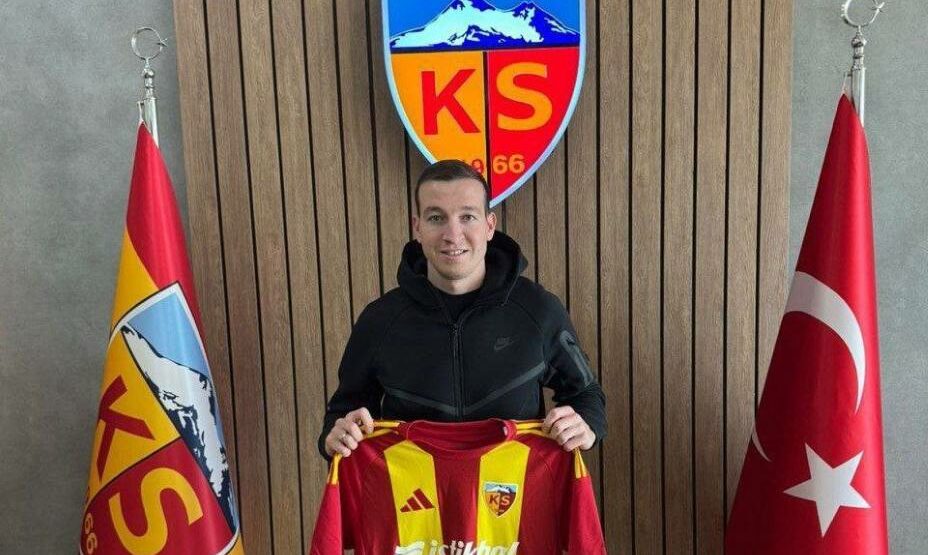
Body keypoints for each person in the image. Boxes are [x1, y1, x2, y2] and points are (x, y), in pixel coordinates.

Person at [319, 160, 606, 459]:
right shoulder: (379, 321)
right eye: (436, 218)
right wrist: (334, 437)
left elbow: (586, 395)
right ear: (418, 228)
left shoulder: (538, 310)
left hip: (515, 488)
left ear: (489, 226)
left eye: (467, 216)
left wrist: (586, 425)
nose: (452, 234)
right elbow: (342, 413)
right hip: (414, 489)